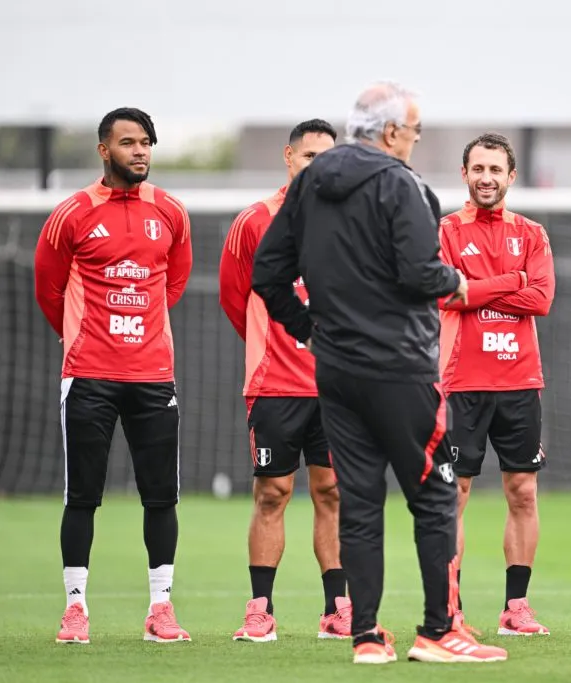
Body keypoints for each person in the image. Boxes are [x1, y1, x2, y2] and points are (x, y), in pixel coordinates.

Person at [251, 81, 507, 665]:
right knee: (436, 497)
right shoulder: (402, 183)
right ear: (391, 132)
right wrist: (457, 282)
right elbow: (421, 272)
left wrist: (311, 329)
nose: (414, 141)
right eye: (414, 132)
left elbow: (268, 273)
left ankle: (366, 637)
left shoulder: (311, 180)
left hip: (336, 372)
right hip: (401, 370)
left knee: (360, 503)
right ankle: (440, 632)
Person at [34, 107, 193, 645]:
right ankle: (75, 609)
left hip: (153, 375)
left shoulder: (170, 211)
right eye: (128, 142)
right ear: (105, 151)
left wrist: (142, 334)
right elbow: (49, 289)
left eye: (146, 141)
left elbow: (173, 283)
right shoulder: (72, 213)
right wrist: (85, 336)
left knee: (161, 498)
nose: (140, 151)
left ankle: (161, 609)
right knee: (82, 497)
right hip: (89, 375)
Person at [219, 119, 350, 642]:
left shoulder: (351, 220)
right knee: (272, 493)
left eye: (328, 158)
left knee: (333, 493)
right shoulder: (255, 220)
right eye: (309, 156)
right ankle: (260, 610)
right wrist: (266, 344)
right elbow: (235, 296)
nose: (318, 166)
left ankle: (337, 609)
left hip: (337, 387)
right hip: (275, 384)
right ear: (288, 157)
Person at [437, 132, 555, 636]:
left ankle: (516, 607)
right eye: (478, 169)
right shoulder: (443, 230)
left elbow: (543, 299)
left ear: (511, 176)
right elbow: (445, 293)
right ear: (465, 174)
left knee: (523, 492)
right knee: (454, 494)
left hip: (520, 381)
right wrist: (511, 282)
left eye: (495, 170)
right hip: (462, 381)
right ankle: (450, 609)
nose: (487, 178)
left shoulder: (532, 233)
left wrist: (477, 290)